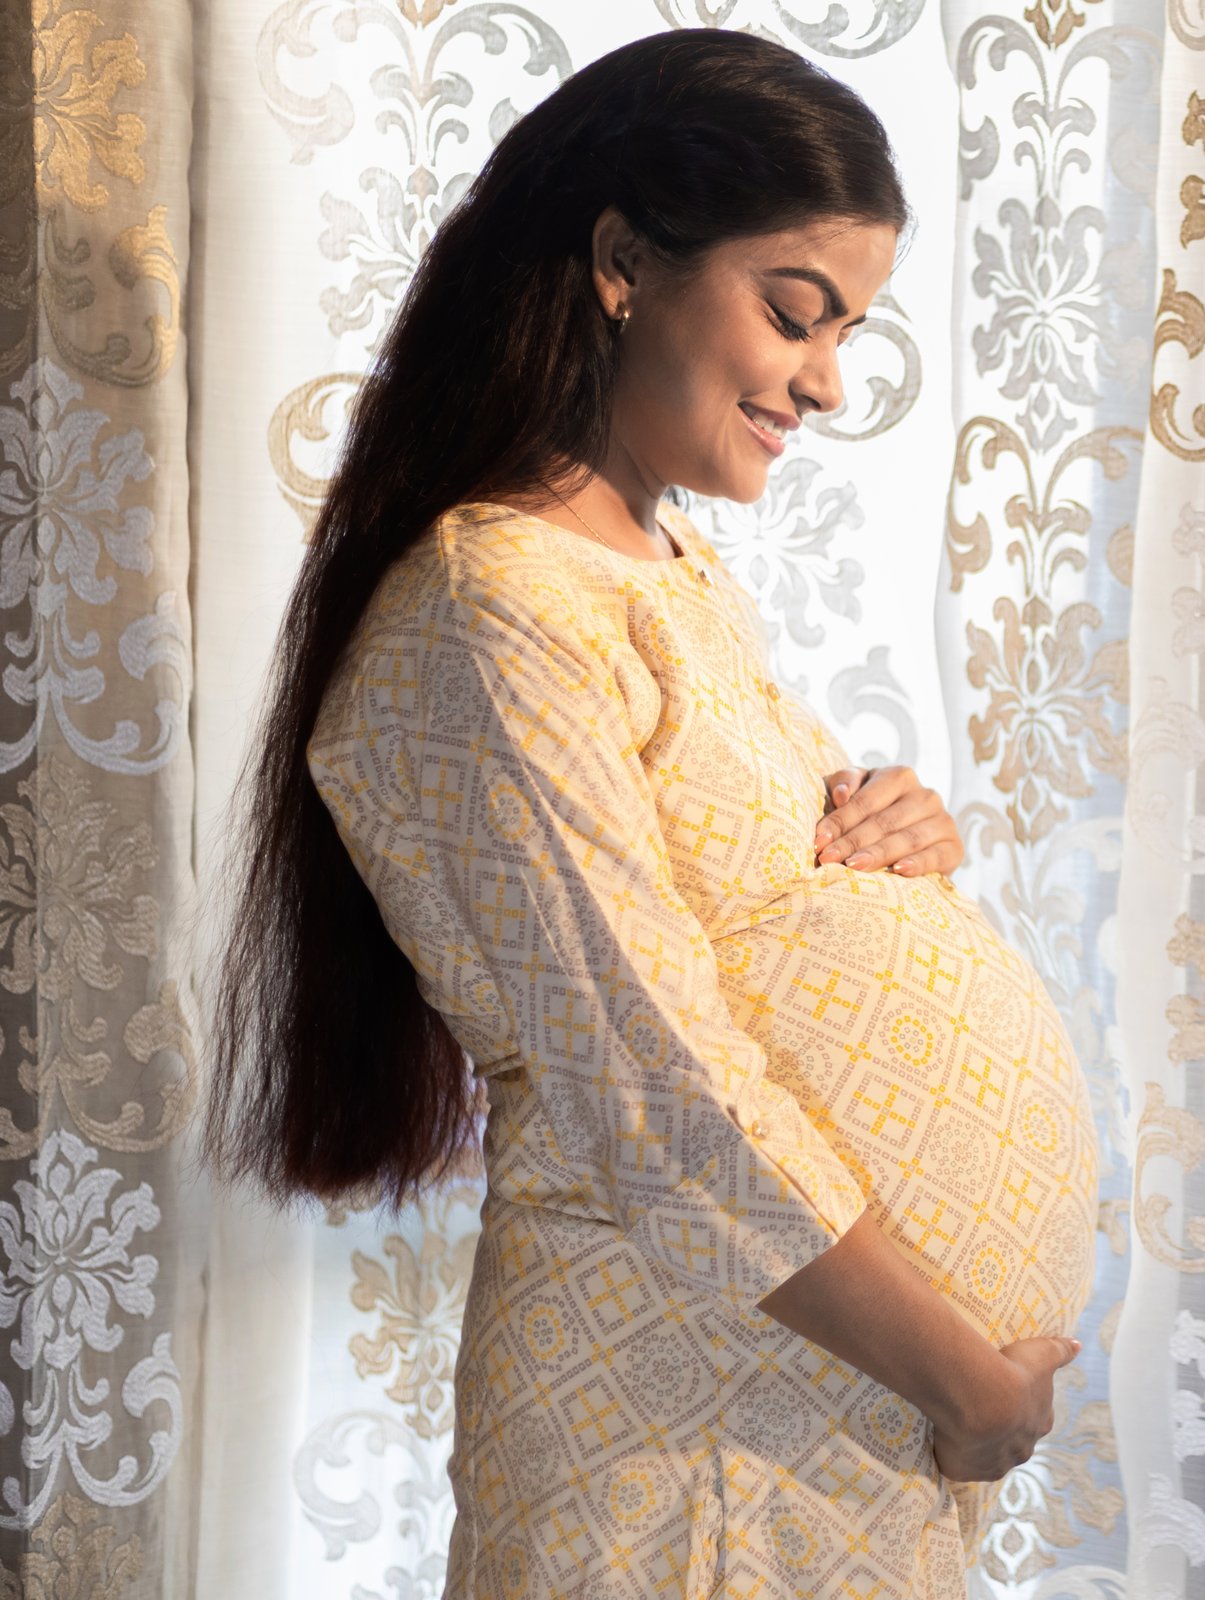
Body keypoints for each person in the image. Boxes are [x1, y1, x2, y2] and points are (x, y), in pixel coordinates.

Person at [205, 30, 1098, 1598]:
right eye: (795, 314)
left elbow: (763, 908)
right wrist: (963, 1376)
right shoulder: (495, 604)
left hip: (809, 1419)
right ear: (624, 259)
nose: (824, 382)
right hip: (687, 1439)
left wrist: (901, 848)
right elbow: (650, 1080)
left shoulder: (665, 575)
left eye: (849, 337)